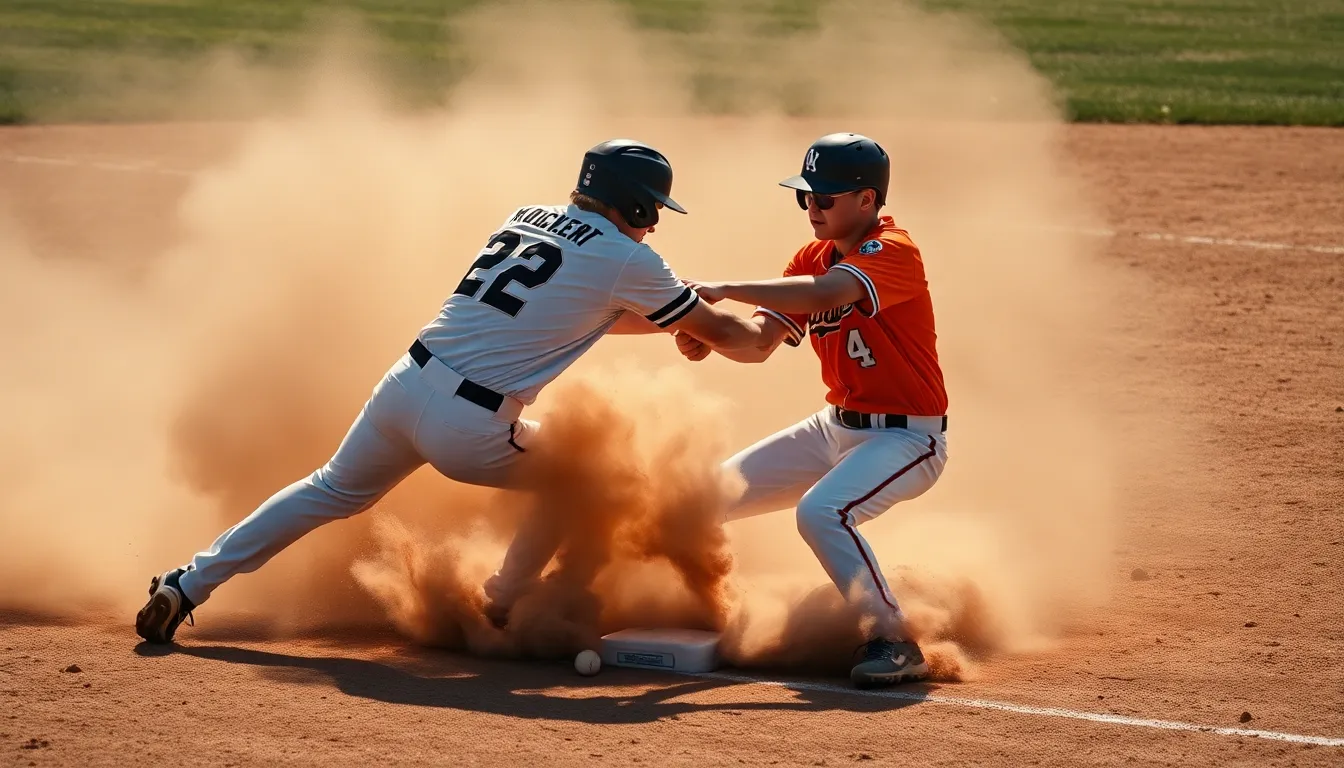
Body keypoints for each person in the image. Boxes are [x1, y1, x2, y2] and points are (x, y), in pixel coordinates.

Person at [134, 139, 776, 645]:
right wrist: (770, 322)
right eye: (654, 210)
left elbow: (578, 310)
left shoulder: (526, 217)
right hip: (469, 427)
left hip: (403, 386)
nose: (656, 225)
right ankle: (501, 601)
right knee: (593, 476)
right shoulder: (628, 259)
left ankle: (188, 583)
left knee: (327, 490)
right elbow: (734, 338)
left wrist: (678, 320)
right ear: (635, 206)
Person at [674, 133, 950, 689]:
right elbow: (756, 343)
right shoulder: (811, 258)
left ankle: (895, 639)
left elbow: (829, 294)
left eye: (825, 198)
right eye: (806, 197)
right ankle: (697, 610)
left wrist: (724, 287)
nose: (812, 208)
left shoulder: (893, 251)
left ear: (867, 201)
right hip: (833, 428)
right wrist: (703, 331)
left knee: (821, 512)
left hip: (907, 440)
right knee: (703, 499)